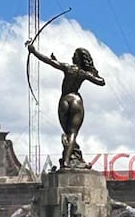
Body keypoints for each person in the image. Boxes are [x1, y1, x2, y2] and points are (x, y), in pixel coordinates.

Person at [25, 41, 105, 169]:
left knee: (68, 133)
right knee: (72, 133)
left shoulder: (68, 67)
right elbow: (101, 82)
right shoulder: (84, 73)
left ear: (78, 58)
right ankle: (68, 160)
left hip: (64, 100)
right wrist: (93, 72)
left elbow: (49, 62)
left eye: (75, 55)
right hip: (76, 100)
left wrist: (34, 52)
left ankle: (69, 158)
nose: (73, 56)